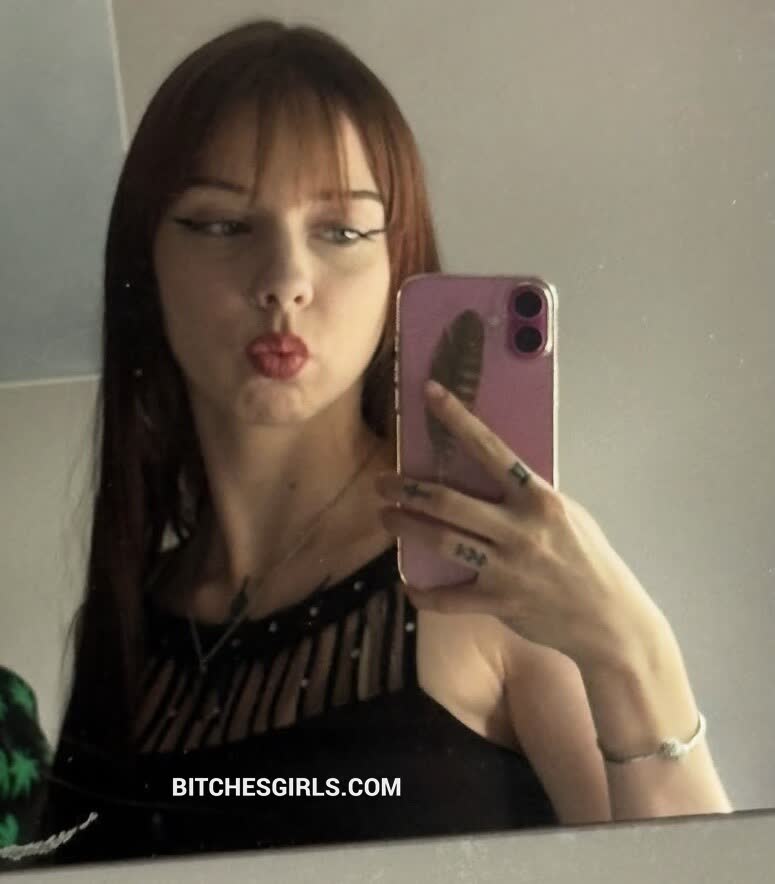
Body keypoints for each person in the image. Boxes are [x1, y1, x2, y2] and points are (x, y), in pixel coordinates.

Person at [36, 19, 731, 865]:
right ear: (145, 264)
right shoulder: (126, 621)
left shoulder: (493, 579)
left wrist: (630, 652)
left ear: (397, 268)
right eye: (221, 225)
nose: (285, 281)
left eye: (340, 231)